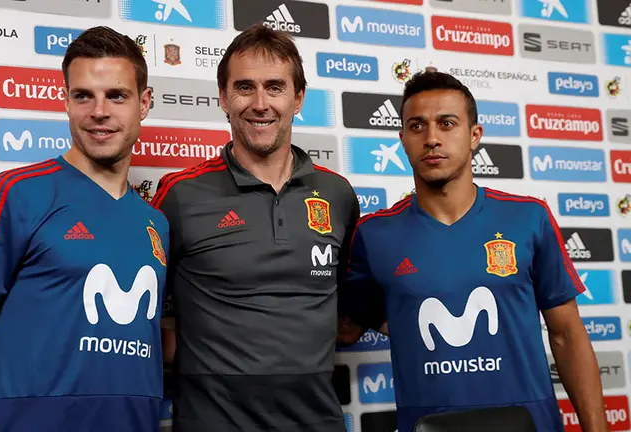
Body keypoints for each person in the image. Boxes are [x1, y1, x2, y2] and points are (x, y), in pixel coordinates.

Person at [337, 69, 608, 432]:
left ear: (474, 135)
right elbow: (349, 326)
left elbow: (567, 334)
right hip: (429, 425)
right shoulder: (374, 234)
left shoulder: (528, 218)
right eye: (417, 126)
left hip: (530, 424)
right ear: (402, 139)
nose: (432, 138)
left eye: (447, 123)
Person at [0, 26, 168, 432]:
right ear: (67, 101)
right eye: (83, 95)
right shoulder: (13, 194)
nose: (99, 111)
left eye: (117, 96)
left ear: (144, 103)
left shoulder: (156, 222)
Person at [151, 23, 359, 432]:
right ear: (224, 98)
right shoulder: (180, 193)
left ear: (298, 98)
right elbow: (140, 309)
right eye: (245, 87)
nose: (260, 103)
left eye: (275, 88)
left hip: (317, 422)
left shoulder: (338, 195)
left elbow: (350, 314)